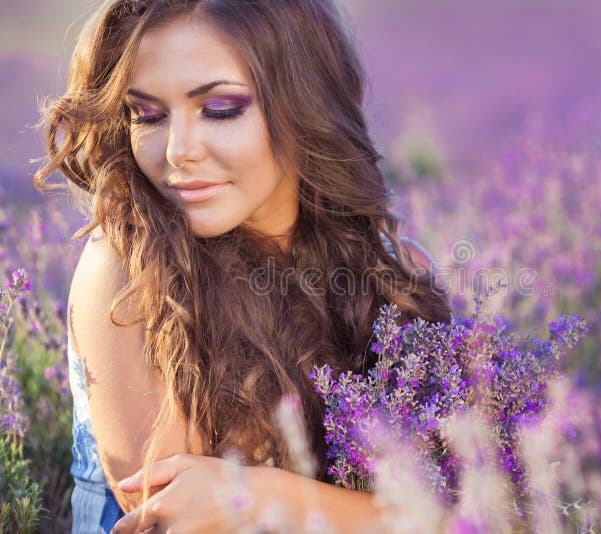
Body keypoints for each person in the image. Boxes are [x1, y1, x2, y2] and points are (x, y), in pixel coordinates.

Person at [34, 0, 451, 532]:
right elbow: (171, 519)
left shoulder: (397, 274)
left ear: (306, 104)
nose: (178, 151)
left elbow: (472, 510)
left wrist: (258, 494)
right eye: (148, 115)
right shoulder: (126, 272)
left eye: (221, 108)